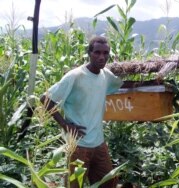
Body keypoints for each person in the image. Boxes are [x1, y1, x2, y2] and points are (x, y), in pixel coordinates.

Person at [40, 36, 123, 188]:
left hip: (99, 143)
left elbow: (121, 83)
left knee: (108, 183)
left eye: (106, 53)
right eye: (97, 52)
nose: (101, 57)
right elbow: (45, 99)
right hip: (78, 145)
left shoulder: (106, 75)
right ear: (89, 53)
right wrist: (65, 124)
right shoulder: (75, 76)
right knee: (75, 185)